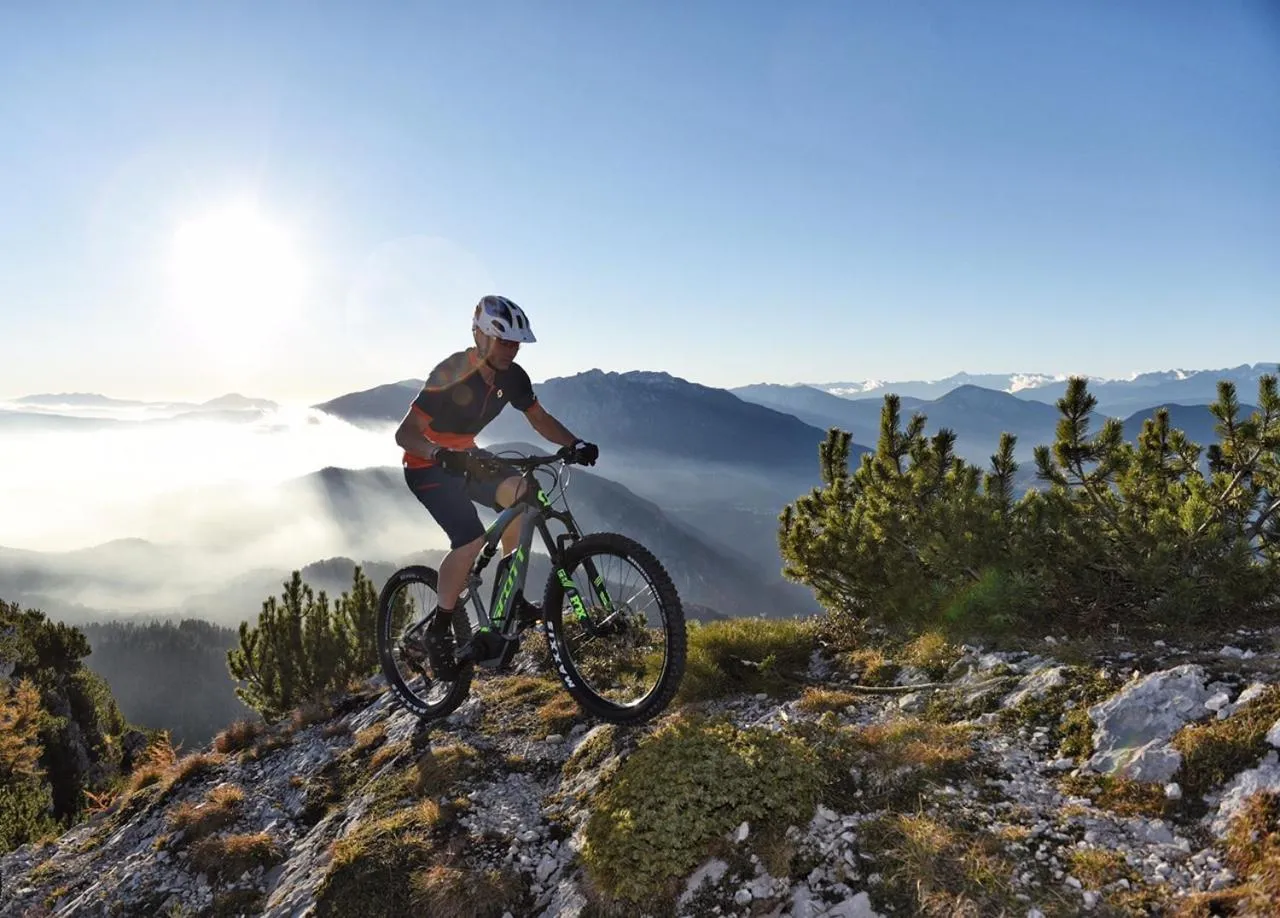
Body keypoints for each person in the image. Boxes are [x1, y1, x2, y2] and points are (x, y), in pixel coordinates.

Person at [393, 294, 599, 677]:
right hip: (427, 465)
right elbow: (405, 434)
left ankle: (511, 600)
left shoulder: (513, 378)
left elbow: (539, 419)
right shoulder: (451, 371)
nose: (512, 350)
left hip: (468, 457)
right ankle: (440, 629)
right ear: (481, 337)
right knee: (469, 539)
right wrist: (438, 454)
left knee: (524, 497)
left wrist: (574, 443)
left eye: (516, 343)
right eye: (505, 341)